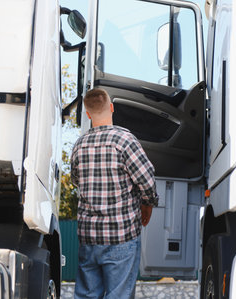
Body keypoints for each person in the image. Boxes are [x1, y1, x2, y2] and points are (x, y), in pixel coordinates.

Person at [71, 88, 159, 299]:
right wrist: (147, 204)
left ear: (88, 113)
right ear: (111, 107)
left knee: (86, 295)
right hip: (121, 235)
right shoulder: (124, 140)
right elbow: (147, 179)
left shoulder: (79, 145)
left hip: (89, 237)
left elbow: (76, 181)